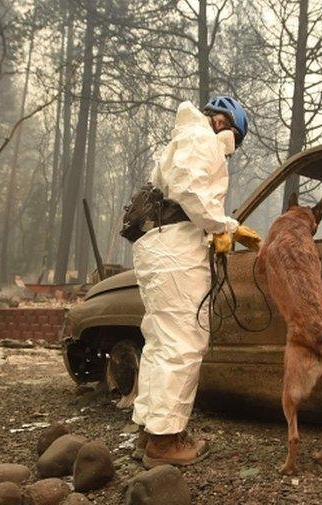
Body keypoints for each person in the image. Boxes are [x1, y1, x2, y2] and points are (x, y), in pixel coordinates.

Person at [132, 96, 261, 467]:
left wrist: (222, 229)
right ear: (226, 124)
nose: (231, 150)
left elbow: (183, 189)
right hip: (174, 250)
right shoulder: (201, 138)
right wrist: (225, 227)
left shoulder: (183, 137)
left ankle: (149, 430)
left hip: (160, 246)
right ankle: (165, 441)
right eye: (234, 139)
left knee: (160, 342)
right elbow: (191, 190)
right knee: (184, 342)